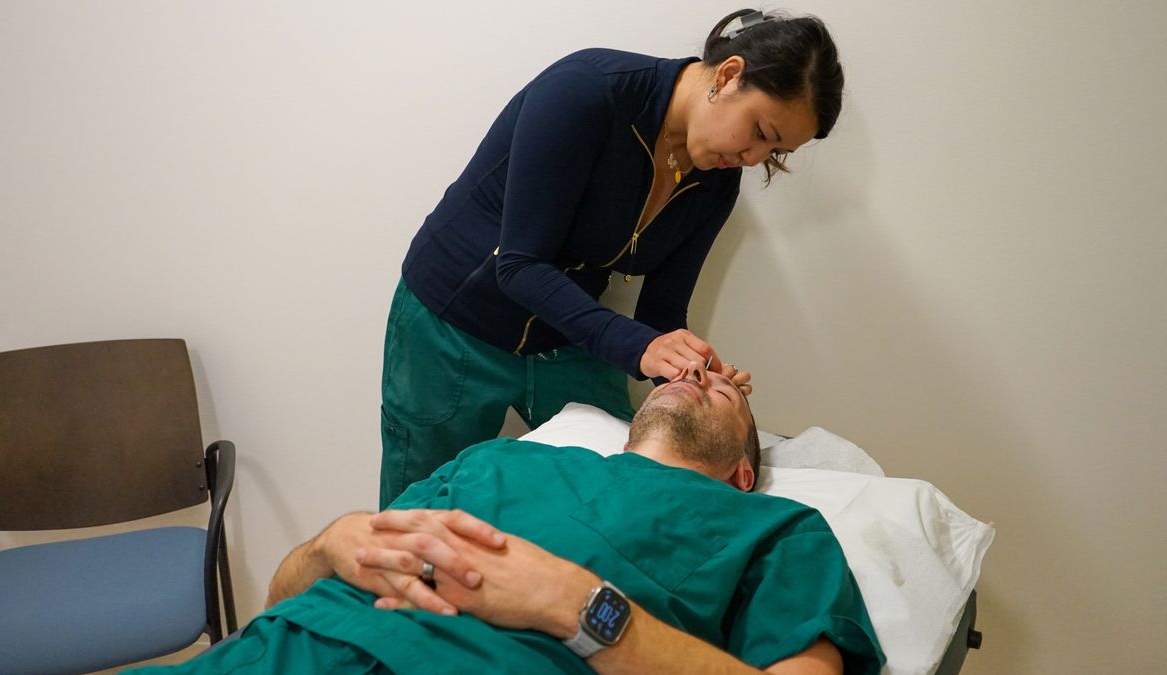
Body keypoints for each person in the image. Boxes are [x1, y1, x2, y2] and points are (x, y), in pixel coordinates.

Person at [133, 364, 885, 674]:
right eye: (693, 370)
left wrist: (581, 606)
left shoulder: (778, 527)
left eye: (724, 390)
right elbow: (278, 598)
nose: (698, 373)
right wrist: (328, 545)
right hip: (278, 651)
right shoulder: (502, 458)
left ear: (743, 472)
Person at [380, 8, 846, 507]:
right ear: (729, 75)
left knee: (621, 498)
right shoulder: (588, 91)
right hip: (451, 325)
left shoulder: (717, 181)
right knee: (414, 513)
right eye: (760, 131)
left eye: (775, 152)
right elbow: (518, 264)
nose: (753, 159)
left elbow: (661, 312)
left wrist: (691, 371)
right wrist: (640, 348)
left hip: (567, 334)